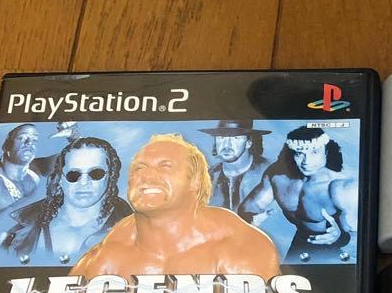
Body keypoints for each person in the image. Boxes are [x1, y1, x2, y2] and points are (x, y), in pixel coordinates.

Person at [71, 133, 281, 280]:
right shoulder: (107, 255)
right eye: (139, 168)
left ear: (195, 181)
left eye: (165, 167)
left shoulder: (238, 245)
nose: (147, 177)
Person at [0, 136, 132, 263]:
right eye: (73, 174)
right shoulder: (17, 233)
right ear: (60, 179)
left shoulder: (135, 228)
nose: (84, 182)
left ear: (110, 177)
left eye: (96, 173)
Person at [237, 126, 357, 262]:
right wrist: (250, 219)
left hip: (337, 251)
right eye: (299, 153)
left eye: (314, 152)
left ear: (326, 152)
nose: (307, 161)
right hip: (300, 243)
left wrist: (339, 238)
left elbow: (363, 240)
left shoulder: (341, 187)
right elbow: (248, 208)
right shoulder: (277, 176)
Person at [199, 119, 271, 213]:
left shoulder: (271, 174)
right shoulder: (207, 179)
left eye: (235, 138)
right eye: (221, 137)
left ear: (248, 143)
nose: (227, 145)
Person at [0, 124, 45, 220]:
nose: (29, 143)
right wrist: (30, 201)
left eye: (35, 140)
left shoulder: (35, 177)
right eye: (21, 138)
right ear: (6, 145)